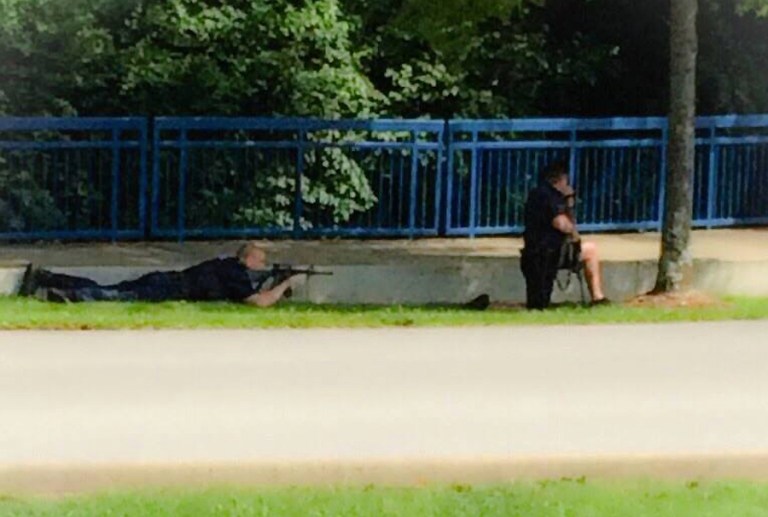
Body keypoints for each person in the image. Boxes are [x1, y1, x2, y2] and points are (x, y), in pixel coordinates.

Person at [18, 242, 303, 307]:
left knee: (109, 288)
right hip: (167, 289)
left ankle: (46, 278)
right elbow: (257, 302)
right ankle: (65, 297)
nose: (262, 264)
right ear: (249, 259)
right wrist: (286, 284)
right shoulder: (236, 273)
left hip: (165, 278)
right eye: (261, 260)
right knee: (112, 295)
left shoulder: (226, 264)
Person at [520, 160, 609, 309]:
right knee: (591, 250)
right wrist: (574, 230)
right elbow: (561, 224)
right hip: (553, 250)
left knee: (538, 297)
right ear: (559, 180)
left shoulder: (535, 194)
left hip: (532, 249)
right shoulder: (552, 196)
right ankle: (597, 297)